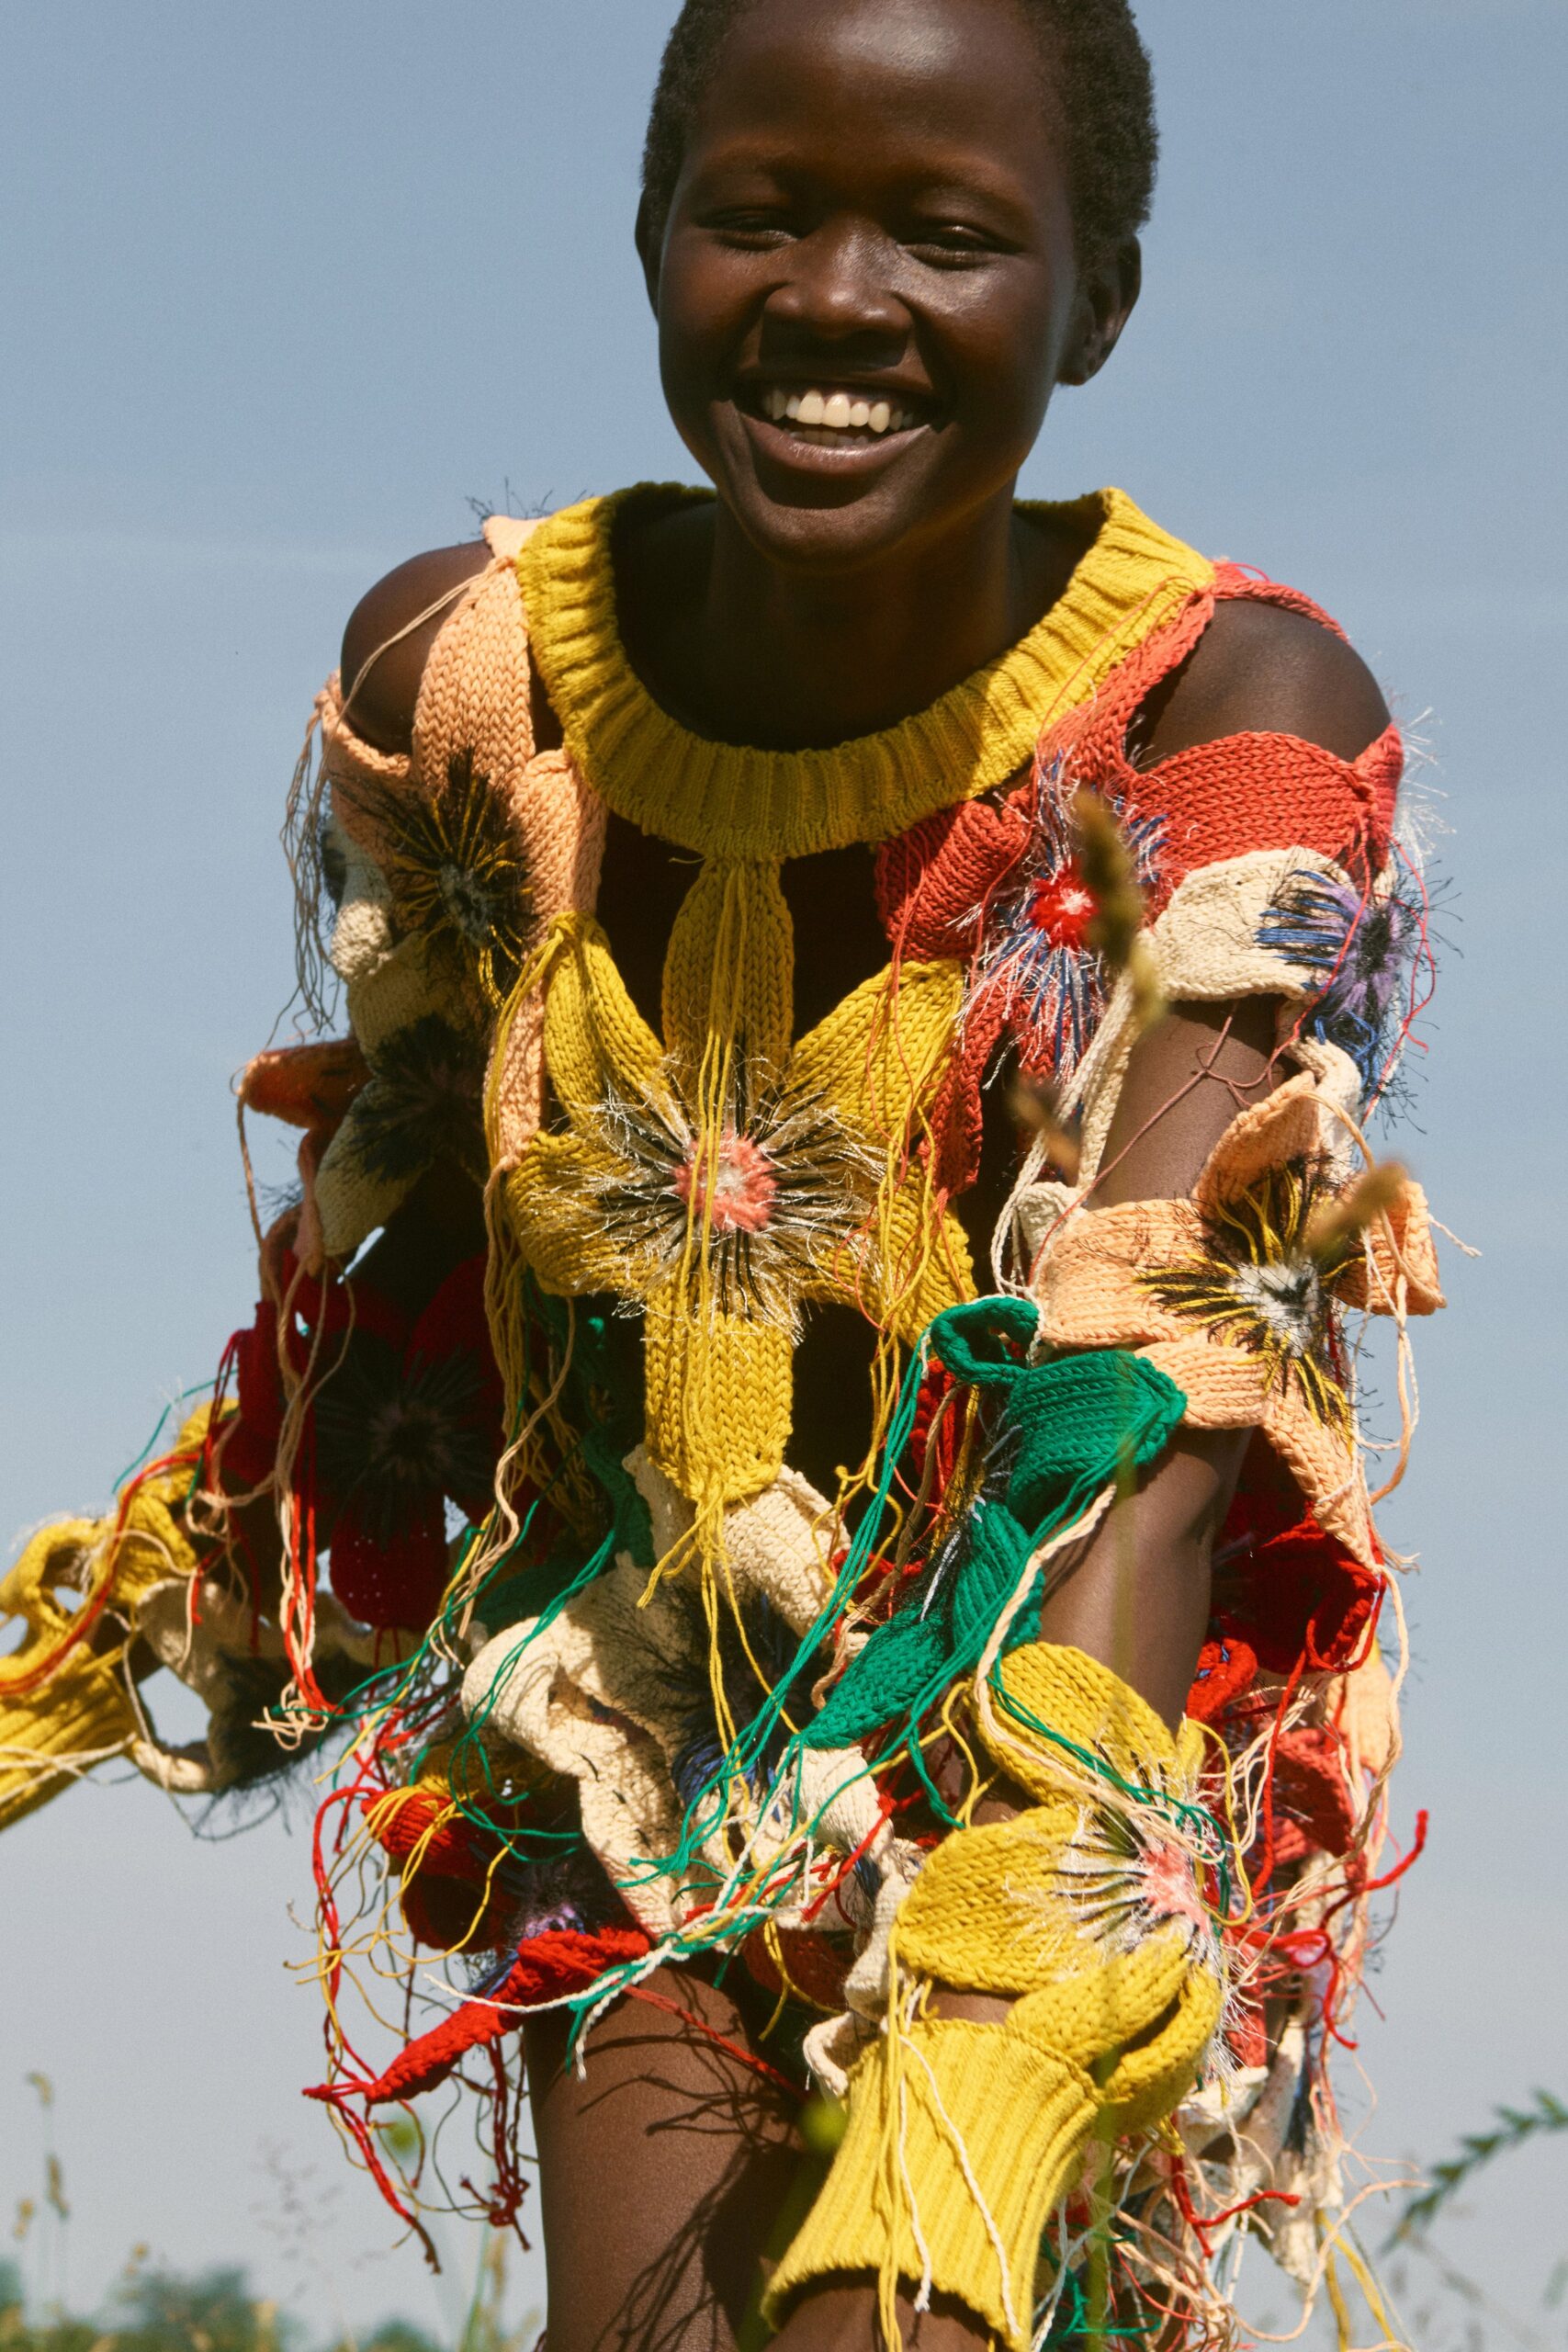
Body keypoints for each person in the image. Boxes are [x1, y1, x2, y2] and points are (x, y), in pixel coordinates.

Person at [0, 2, 1442, 2346]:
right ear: (650, 236)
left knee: (914, 2298)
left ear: (1099, 301)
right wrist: (184, 1598)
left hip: (1048, 1681)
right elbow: (413, 1225)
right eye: (758, 211)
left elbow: (1155, 1373)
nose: (839, 298)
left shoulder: (1220, 715)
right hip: (633, 1679)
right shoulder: (474, 676)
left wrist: (1003, 2021)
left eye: (949, 234)